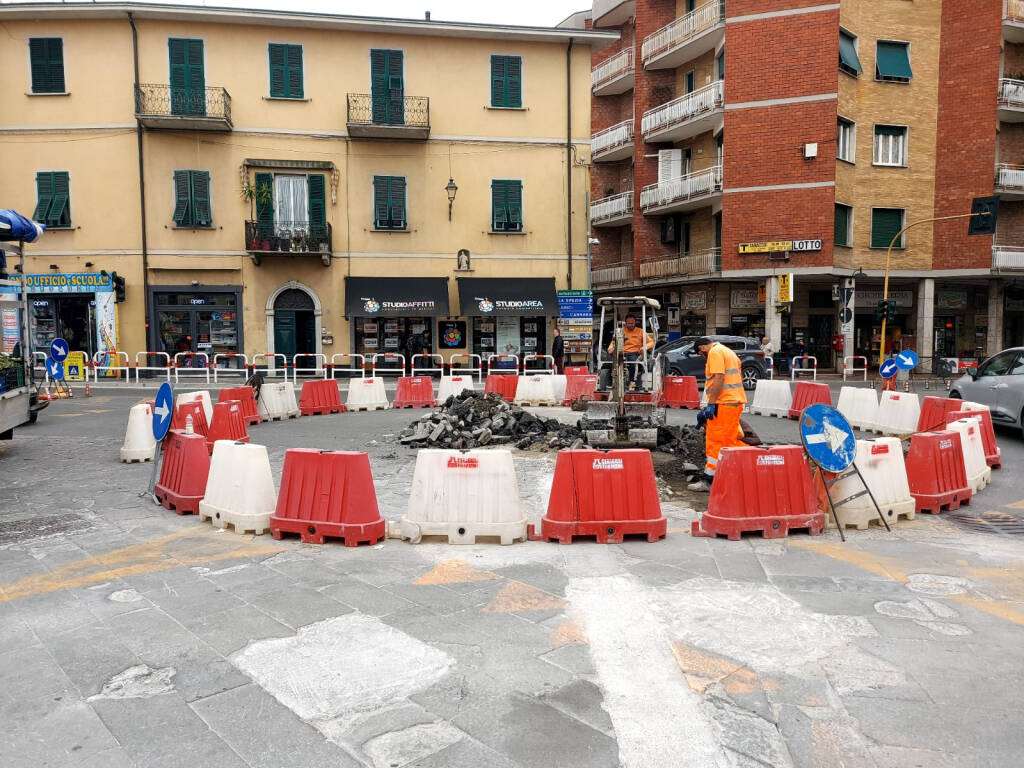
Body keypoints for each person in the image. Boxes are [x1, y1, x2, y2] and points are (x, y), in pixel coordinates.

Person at [687, 336, 747, 492]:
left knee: (715, 442)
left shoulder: (714, 352)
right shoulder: (729, 352)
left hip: (723, 403)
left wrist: (711, 403)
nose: (703, 358)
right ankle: (735, 474)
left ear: (702, 348)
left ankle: (708, 481)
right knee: (728, 442)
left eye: (701, 355)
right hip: (734, 402)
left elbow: (719, 377)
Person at [607, 313, 654, 390]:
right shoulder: (620, 332)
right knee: (614, 363)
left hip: (635, 353)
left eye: (632, 323)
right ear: (625, 323)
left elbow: (651, 342)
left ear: (635, 323)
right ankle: (615, 382)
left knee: (632, 362)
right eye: (629, 323)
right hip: (622, 352)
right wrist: (611, 348)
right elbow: (613, 343)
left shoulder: (641, 332)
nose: (631, 325)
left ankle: (632, 381)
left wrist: (644, 347)